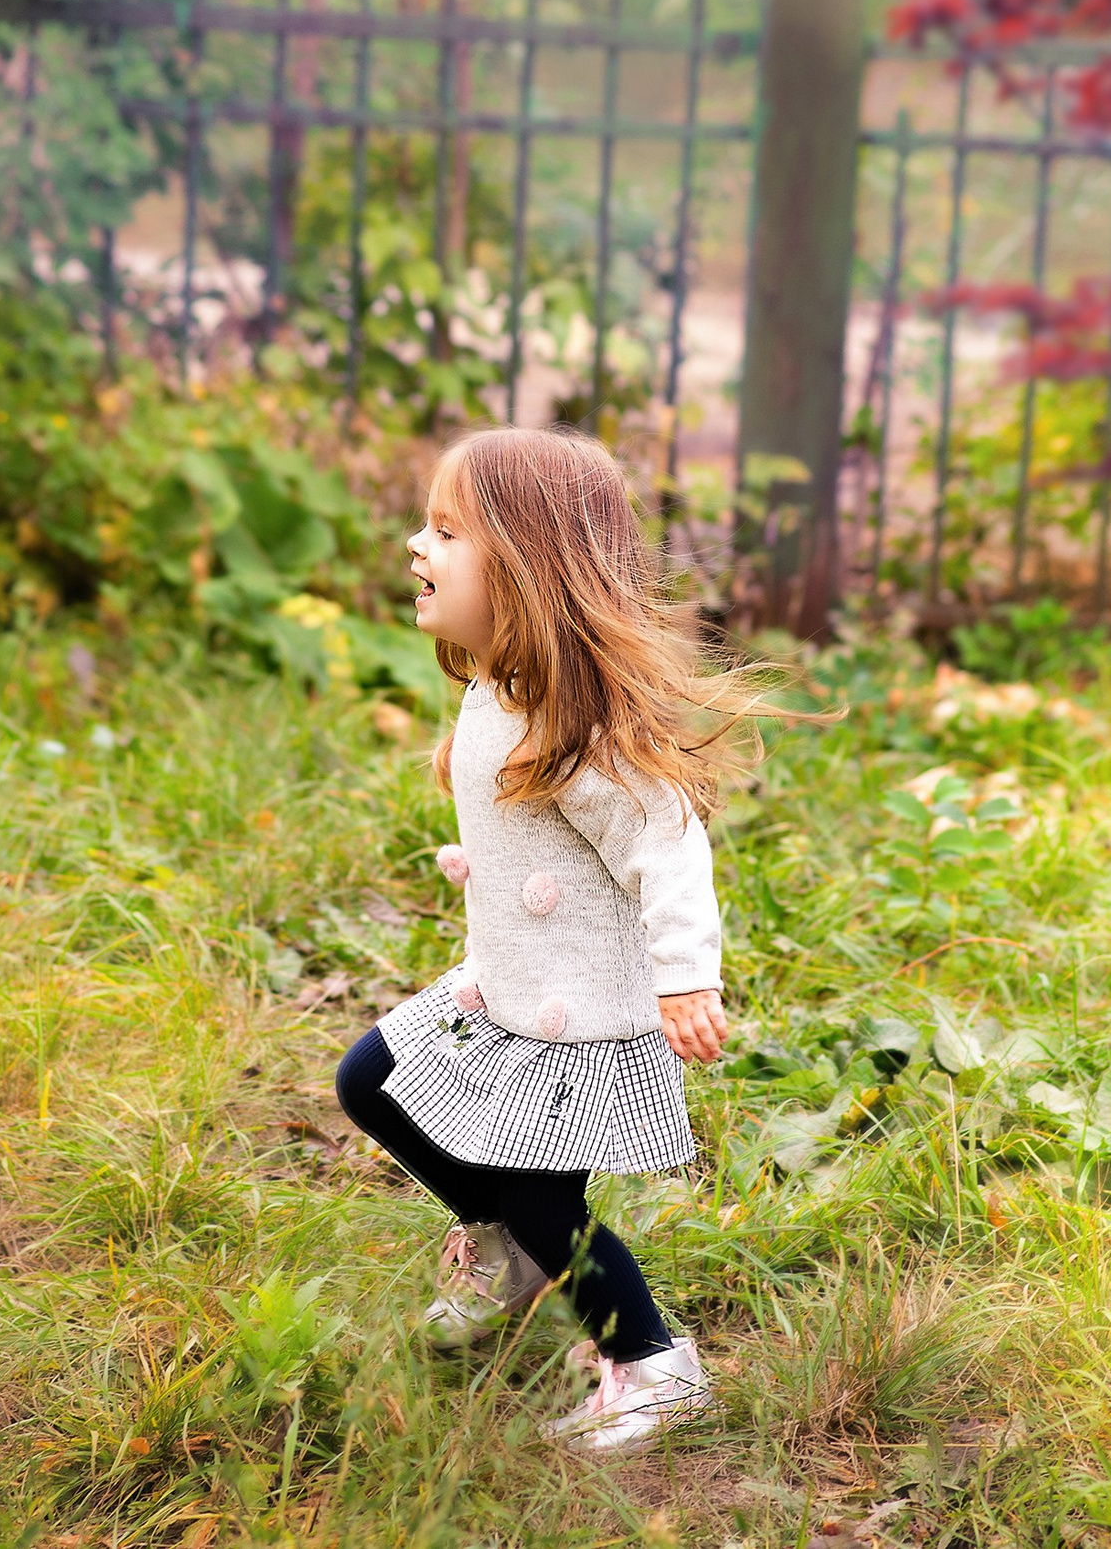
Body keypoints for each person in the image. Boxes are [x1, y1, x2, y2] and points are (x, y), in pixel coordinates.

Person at [335, 423, 799, 1455]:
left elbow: (665, 842)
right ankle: (503, 1246)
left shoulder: (575, 726)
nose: (416, 543)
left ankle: (651, 1364)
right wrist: (488, 863)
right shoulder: (498, 687)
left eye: (446, 529)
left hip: (569, 1010)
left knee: (549, 1199)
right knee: (370, 1079)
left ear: (525, 568)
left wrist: (685, 979)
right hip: (503, 981)